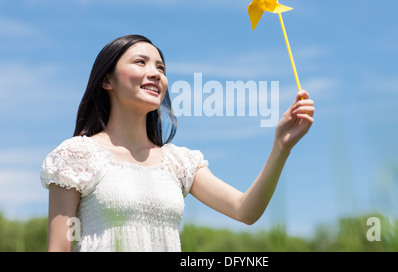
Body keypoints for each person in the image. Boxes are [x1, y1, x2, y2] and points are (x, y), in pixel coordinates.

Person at [40, 34, 315, 252]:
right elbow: (59, 248)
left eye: (160, 67)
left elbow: (245, 210)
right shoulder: (77, 155)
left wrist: (281, 147)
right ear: (107, 80)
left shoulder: (179, 162)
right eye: (141, 62)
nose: (156, 73)